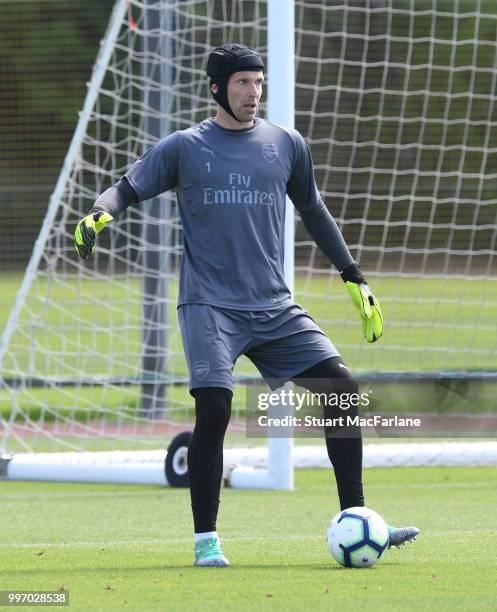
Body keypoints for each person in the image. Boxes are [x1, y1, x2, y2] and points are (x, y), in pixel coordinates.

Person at [75, 43, 419, 567]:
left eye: (257, 82)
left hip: (274, 306)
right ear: (217, 88)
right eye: (242, 83)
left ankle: (359, 519)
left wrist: (353, 275)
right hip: (210, 305)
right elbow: (127, 187)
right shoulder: (185, 147)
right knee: (215, 408)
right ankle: (206, 541)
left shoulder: (286, 144)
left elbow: (315, 210)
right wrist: (100, 212)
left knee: (341, 389)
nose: (253, 92)